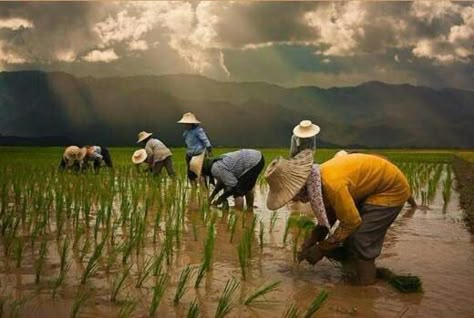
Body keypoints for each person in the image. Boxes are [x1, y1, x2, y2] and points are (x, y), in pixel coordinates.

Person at [265, 150, 412, 285]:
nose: (293, 200)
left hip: (390, 191)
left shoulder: (331, 183)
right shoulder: (316, 179)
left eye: (292, 194)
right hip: (369, 190)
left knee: (360, 239)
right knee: (349, 241)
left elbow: (351, 222)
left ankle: (365, 288)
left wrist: (322, 248)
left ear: (300, 186)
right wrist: (311, 241)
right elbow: (329, 215)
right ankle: (354, 269)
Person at [177, 112, 212, 182]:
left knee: (201, 174)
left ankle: (204, 190)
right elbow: (185, 139)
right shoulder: (186, 131)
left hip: (198, 154)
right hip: (190, 154)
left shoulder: (198, 130)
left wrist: (209, 149)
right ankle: (193, 190)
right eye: (185, 124)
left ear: (192, 123)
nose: (186, 125)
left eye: (187, 124)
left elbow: (206, 140)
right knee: (190, 174)